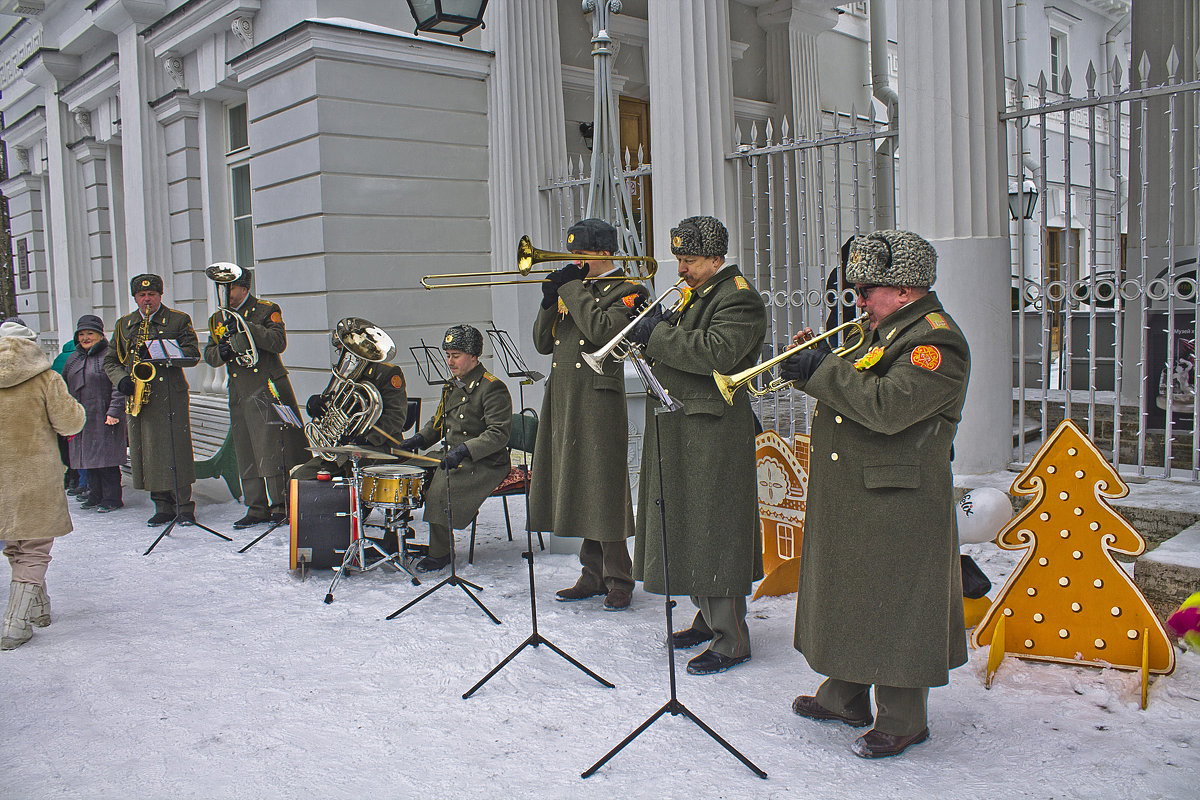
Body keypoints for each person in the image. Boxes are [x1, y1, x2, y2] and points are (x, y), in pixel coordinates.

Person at [779, 229, 971, 759]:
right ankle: (845, 696)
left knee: (894, 601)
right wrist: (812, 362)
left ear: (905, 289)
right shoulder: (882, 329)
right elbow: (850, 380)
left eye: (867, 289)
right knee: (849, 591)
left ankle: (905, 718)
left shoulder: (935, 341)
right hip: (856, 489)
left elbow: (888, 406)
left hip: (898, 496)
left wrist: (823, 372)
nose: (858, 300)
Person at [626, 216, 767, 675]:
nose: (681, 269)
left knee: (714, 526)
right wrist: (655, 330)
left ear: (715, 259)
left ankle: (731, 638)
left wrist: (658, 335)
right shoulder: (701, 293)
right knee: (688, 522)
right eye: (680, 260)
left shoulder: (739, 298)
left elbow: (715, 353)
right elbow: (685, 344)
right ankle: (707, 620)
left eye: (689, 261)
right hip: (684, 425)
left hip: (713, 432)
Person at [529, 218, 648, 611]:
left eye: (581, 255)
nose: (574, 262)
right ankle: (591, 573)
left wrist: (568, 287)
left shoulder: (629, 290)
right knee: (577, 482)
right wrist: (549, 303)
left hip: (598, 399)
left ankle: (619, 576)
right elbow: (542, 344)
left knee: (604, 486)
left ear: (604, 254)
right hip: (563, 396)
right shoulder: (575, 289)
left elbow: (601, 331)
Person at [1, 320, 85, 650]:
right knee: (35, 547)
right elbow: (69, 422)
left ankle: (38, 609)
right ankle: (14, 624)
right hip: (35, 475)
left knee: (16, 542)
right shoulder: (45, 378)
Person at [400, 325, 512, 572]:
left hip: (484, 460)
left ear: (473, 356)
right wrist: (417, 440)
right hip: (452, 453)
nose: (450, 361)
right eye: (448, 354)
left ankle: (441, 553)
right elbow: (439, 423)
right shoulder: (453, 385)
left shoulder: (492, 387)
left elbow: (498, 434)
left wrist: (464, 451)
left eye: (456, 355)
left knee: (441, 487)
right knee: (402, 473)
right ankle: (395, 540)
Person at [203, 269, 307, 529]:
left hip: (267, 386)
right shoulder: (218, 318)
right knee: (246, 448)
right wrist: (222, 351)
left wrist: (247, 327)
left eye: (230, 288)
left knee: (273, 447)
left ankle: (281, 504)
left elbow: (277, 342)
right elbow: (210, 354)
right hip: (239, 389)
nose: (224, 294)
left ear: (244, 287)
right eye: (221, 288)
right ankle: (256, 505)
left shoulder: (265, 309)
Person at [103, 274, 202, 526]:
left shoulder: (178, 320)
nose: (147, 299)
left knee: (175, 450)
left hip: (170, 395)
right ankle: (162, 505)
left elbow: (192, 355)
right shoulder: (124, 324)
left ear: (160, 295)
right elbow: (111, 360)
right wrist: (121, 379)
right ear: (135, 297)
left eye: (152, 295)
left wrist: (168, 354)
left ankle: (184, 506)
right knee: (147, 450)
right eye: (142, 295)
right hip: (139, 396)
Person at [293, 318, 408, 481]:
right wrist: (316, 404)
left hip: (377, 447)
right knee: (300, 478)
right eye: (340, 351)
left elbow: (395, 419)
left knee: (354, 485)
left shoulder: (387, 373)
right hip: (343, 450)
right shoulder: (344, 374)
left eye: (347, 350)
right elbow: (333, 406)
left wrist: (365, 438)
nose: (344, 356)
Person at [63, 315, 127, 512]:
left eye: (90, 333)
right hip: (82, 417)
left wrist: (114, 411)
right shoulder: (73, 359)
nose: (85, 338)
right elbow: (64, 386)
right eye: (81, 334)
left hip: (105, 415)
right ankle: (95, 494)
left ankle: (112, 498)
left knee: (107, 460)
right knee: (88, 458)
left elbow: (118, 386)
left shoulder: (109, 356)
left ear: (100, 334)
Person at [51, 334, 85, 497]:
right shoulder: (76, 358)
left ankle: (69, 478)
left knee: (63, 444)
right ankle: (77, 479)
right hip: (73, 405)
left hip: (56, 407)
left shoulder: (58, 358)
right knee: (77, 444)